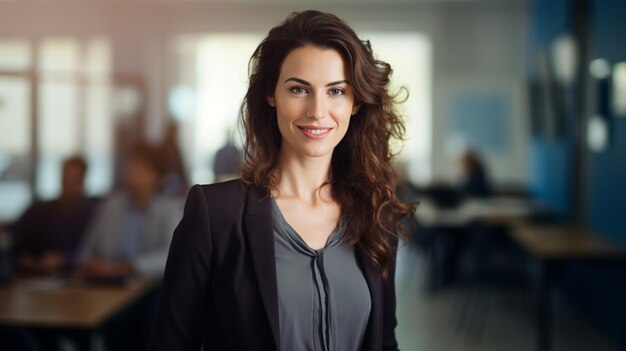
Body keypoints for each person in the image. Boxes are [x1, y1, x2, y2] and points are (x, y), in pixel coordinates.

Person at [147, 10, 414, 351]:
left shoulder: (375, 214)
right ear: (272, 95)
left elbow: (384, 342)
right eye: (299, 89)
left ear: (356, 102)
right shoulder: (216, 214)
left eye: (335, 91)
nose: (317, 111)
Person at [76, 142, 183, 279]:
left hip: (150, 286)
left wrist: (126, 267)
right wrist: (90, 264)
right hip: (107, 284)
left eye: (141, 168)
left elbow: (173, 255)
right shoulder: (111, 205)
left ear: (157, 176)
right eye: (132, 166)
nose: (132, 173)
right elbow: (86, 251)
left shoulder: (170, 209)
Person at [11, 156, 97, 275]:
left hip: (76, 279)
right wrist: (24, 257)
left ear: (83, 180)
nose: (69, 186)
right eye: (65, 179)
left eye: (74, 180)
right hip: (35, 278)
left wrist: (64, 259)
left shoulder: (94, 214)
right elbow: (15, 237)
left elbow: (95, 253)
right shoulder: (40, 210)